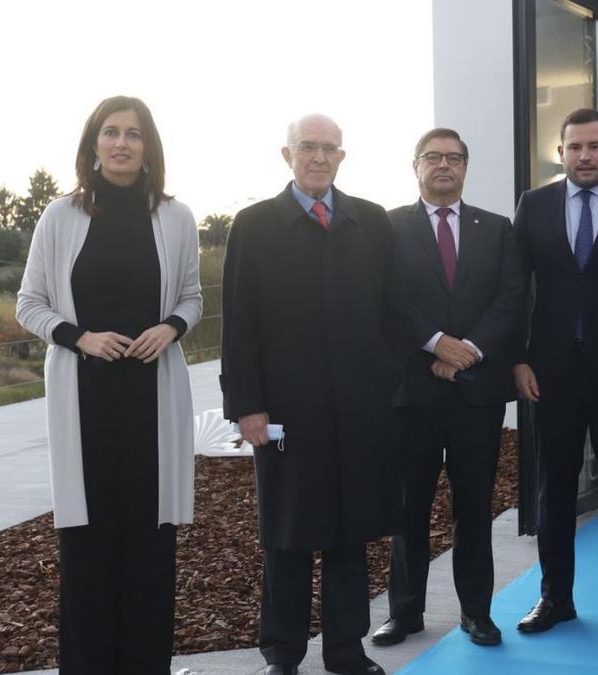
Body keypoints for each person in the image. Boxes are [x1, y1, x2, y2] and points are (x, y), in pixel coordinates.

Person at [221, 114, 416, 675]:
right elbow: (240, 325)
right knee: (287, 537)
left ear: (342, 157)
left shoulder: (371, 222)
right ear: (287, 154)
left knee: (350, 535)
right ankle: (282, 654)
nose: (319, 157)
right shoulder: (255, 225)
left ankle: (345, 651)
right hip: (285, 415)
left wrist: (382, 378)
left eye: (330, 148)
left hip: (360, 413)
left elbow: (396, 314)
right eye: (308, 147)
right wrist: (247, 406)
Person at [16, 95, 202, 674]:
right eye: (111, 132)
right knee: (88, 553)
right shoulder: (60, 216)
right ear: (93, 145)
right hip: (85, 403)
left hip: (152, 403)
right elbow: (29, 304)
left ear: (149, 148)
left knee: (150, 549)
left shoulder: (176, 217)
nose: (122, 143)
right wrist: (80, 337)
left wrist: (171, 328)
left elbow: (193, 297)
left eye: (135, 133)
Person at [371, 128, 522, 648]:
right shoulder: (387, 229)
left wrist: (468, 350)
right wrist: (436, 344)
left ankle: (477, 613)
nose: (443, 165)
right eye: (432, 157)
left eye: (453, 158)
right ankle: (405, 613)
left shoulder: (497, 228)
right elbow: (388, 301)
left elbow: (510, 299)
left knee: (474, 507)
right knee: (409, 508)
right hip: (411, 394)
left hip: (475, 395)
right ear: (415, 166)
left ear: (465, 167)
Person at [512, 108, 598, 640]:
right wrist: (518, 358)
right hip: (550, 374)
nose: (585, 156)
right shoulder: (535, 204)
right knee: (553, 490)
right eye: (574, 147)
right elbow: (516, 286)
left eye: (594, 146)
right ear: (562, 152)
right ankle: (555, 597)